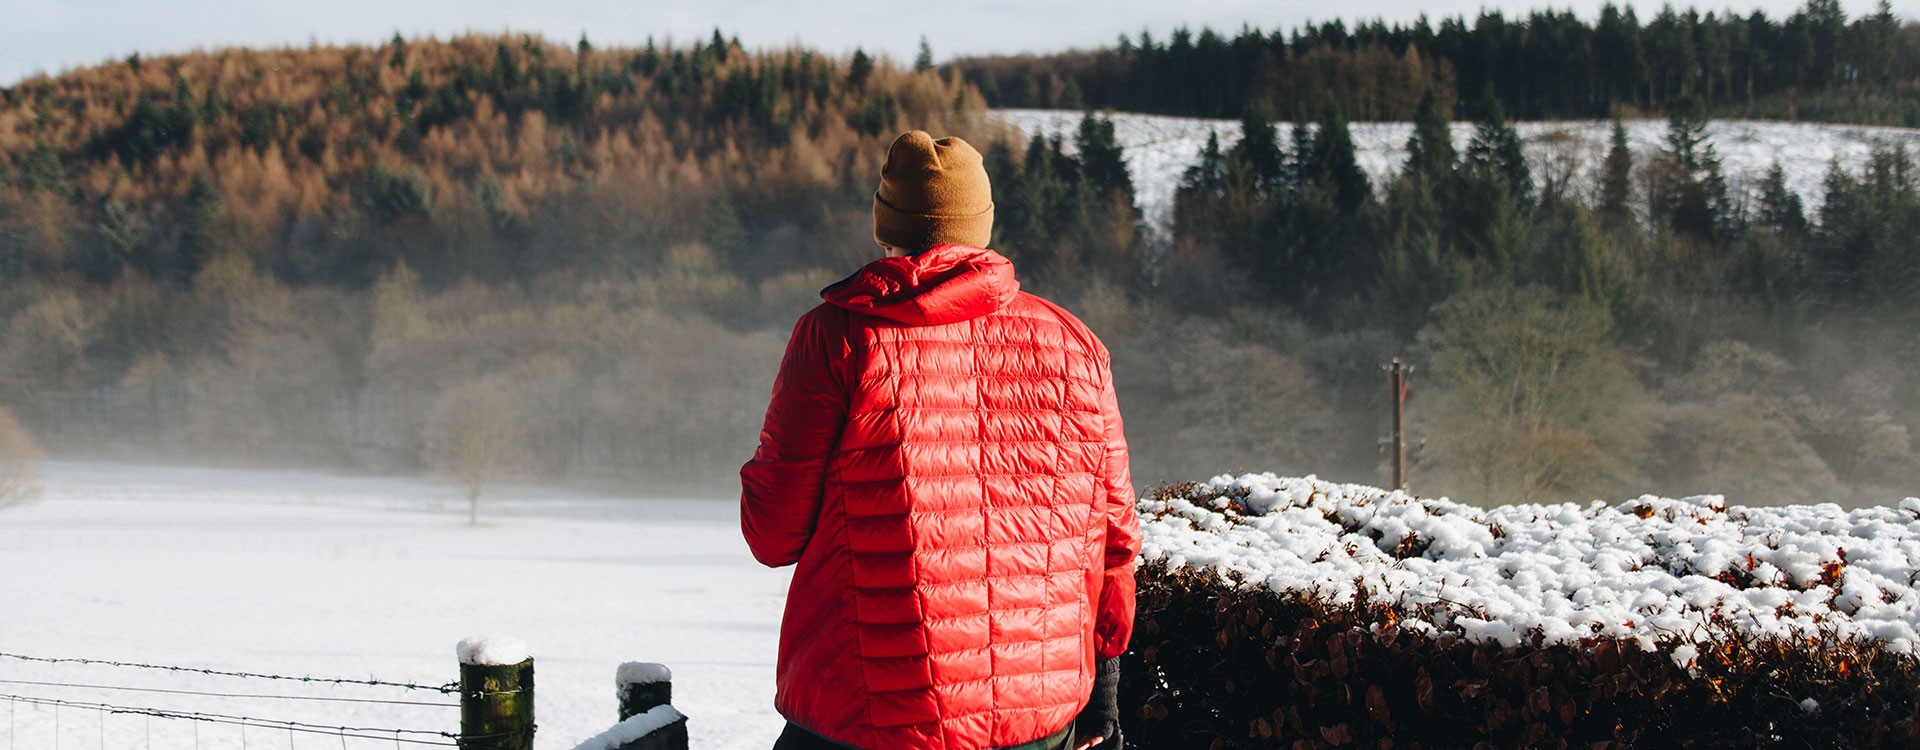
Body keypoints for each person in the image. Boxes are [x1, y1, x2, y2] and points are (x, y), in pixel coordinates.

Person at [741, 130, 1141, 750]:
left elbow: (772, 534)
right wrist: (1106, 689)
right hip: (1037, 715)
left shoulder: (837, 338)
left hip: (867, 712)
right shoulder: (1074, 343)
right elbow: (1114, 539)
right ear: (980, 224)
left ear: (886, 226)